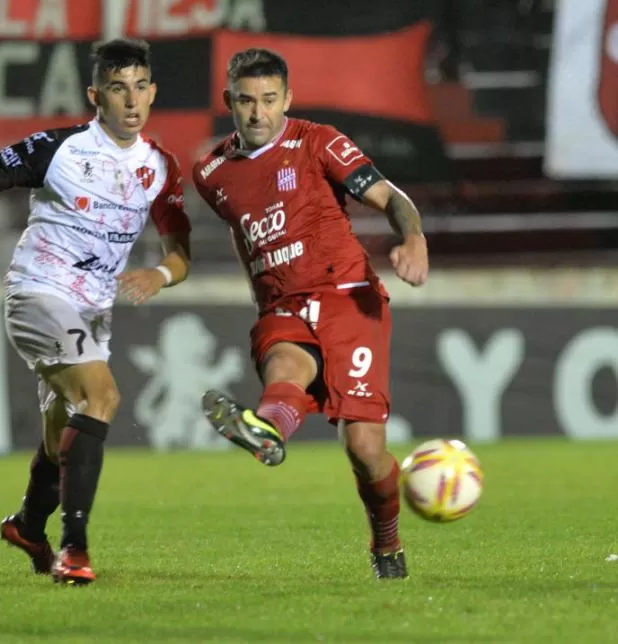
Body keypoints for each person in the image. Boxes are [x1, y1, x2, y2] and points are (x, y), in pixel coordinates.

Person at [0, 39, 191, 585]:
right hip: (38, 293)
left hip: (93, 313)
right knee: (102, 396)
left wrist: (160, 274)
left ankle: (30, 525)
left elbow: (179, 253)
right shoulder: (59, 149)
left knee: (62, 438)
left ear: (153, 93)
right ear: (95, 95)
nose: (131, 100)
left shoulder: (160, 168)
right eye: (118, 89)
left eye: (140, 87)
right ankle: (74, 550)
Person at [193, 49, 429, 580]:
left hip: (348, 296)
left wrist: (412, 237)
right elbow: (241, 229)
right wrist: (260, 291)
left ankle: (386, 544)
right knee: (284, 365)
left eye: (270, 100)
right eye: (247, 101)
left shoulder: (318, 141)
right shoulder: (210, 172)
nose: (258, 113)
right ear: (230, 100)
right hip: (282, 303)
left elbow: (390, 196)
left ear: (288, 100)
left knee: (366, 451)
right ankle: (268, 430)